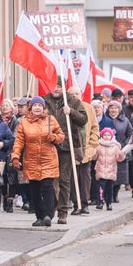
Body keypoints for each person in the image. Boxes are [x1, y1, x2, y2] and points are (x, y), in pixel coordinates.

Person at [11, 96, 64, 227]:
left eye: (40, 105)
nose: (37, 108)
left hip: (48, 159)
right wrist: (15, 157)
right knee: (34, 190)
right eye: (35, 105)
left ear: (43, 107)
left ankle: (48, 215)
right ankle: (39, 216)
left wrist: (54, 137)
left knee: (47, 187)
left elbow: (61, 136)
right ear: (31, 107)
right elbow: (19, 141)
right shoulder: (24, 122)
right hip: (31, 160)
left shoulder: (51, 120)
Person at [44, 79, 88, 224]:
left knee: (64, 179)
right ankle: (50, 208)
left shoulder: (73, 101)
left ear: (63, 87)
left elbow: (83, 119)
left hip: (66, 145)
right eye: (53, 86)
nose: (56, 89)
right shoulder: (44, 101)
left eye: (58, 86)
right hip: (48, 145)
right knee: (48, 180)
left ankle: (63, 212)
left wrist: (72, 112)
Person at [68, 86, 99, 215]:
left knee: (85, 178)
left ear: (81, 94)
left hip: (85, 149)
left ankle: (85, 204)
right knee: (72, 179)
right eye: (71, 94)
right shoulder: (65, 109)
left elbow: (95, 128)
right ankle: (76, 204)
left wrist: (92, 145)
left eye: (76, 93)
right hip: (71, 149)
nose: (74, 96)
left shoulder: (88, 108)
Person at [104, 100, 132, 204]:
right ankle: (108, 195)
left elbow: (130, 134)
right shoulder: (105, 119)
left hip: (121, 151)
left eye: (115, 108)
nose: (113, 110)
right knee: (108, 175)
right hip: (107, 151)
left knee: (120, 175)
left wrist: (124, 146)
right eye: (111, 108)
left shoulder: (125, 120)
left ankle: (115, 194)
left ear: (119, 109)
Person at [92, 128, 125, 210]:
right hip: (101, 169)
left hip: (111, 170)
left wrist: (121, 155)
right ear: (102, 136)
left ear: (112, 136)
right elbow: (94, 157)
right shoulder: (98, 146)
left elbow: (119, 159)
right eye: (105, 135)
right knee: (101, 187)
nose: (106, 136)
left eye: (108, 135)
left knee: (109, 188)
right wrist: (93, 152)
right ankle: (100, 201)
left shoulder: (115, 147)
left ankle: (109, 203)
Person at [0, 98, 19, 212]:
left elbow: (15, 137)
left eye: (7, 105)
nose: (4, 107)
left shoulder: (15, 121)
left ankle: (10, 200)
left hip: (12, 151)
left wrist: (5, 143)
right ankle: (5, 197)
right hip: (0, 152)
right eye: (3, 105)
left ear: (11, 108)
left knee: (12, 177)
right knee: (1, 177)